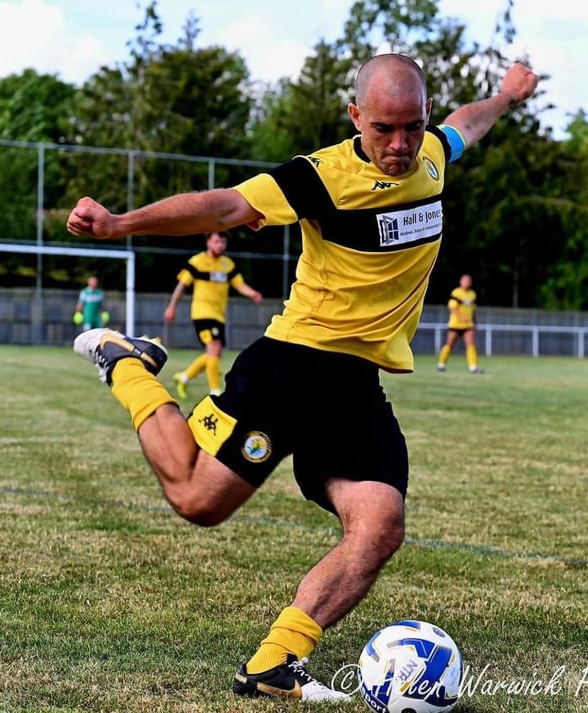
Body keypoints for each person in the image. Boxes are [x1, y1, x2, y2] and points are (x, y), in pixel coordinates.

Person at [66, 54, 538, 702]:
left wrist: (506, 96)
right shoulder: (322, 178)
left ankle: (275, 660)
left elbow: (467, 124)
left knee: (379, 524)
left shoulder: (431, 154)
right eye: (383, 129)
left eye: (412, 126)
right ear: (355, 117)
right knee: (197, 501)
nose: (400, 144)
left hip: (356, 384)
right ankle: (128, 362)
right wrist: (123, 223)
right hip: (291, 368)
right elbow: (228, 203)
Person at [163, 230, 262, 399]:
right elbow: (181, 286)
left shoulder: (227, 265)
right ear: (208, 242)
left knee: (214, 354)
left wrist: (252, 293)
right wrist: (171, 307)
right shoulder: (197, 262)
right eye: (216, 241)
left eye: (223, 242)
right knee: (214, 348)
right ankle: (216, 391)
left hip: (219, 315)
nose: (220, 245)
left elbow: (239, 285)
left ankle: (184, 377)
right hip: (202, 313)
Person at [436, 273, 479, 373]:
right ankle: (441, 364)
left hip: (468, 325)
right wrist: (462, 317)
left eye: (469, 281)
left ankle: (473, 367)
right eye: (465, 280)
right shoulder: (456, 293)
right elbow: (452, 307)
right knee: (449, 344)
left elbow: (473, 310)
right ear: (461, 282)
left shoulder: (472, 294)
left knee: (470, 344)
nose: (467, 282)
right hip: (455, 324)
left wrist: (475, 323)